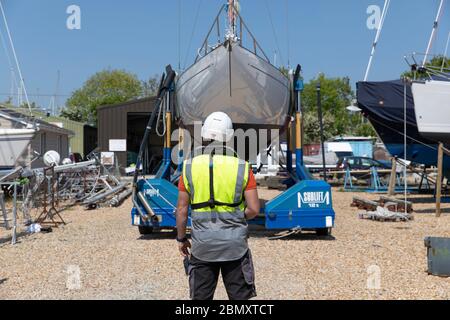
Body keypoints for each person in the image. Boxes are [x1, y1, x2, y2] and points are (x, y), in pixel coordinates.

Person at [176, 111, 261, 300]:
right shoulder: (242, 166)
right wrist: (236, 217)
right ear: (229, 136)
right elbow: (254, 209)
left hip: (202, 247)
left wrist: (181, 239)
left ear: (205, 134)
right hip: (235, 247)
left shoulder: (188, 166)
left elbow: (181, 209)